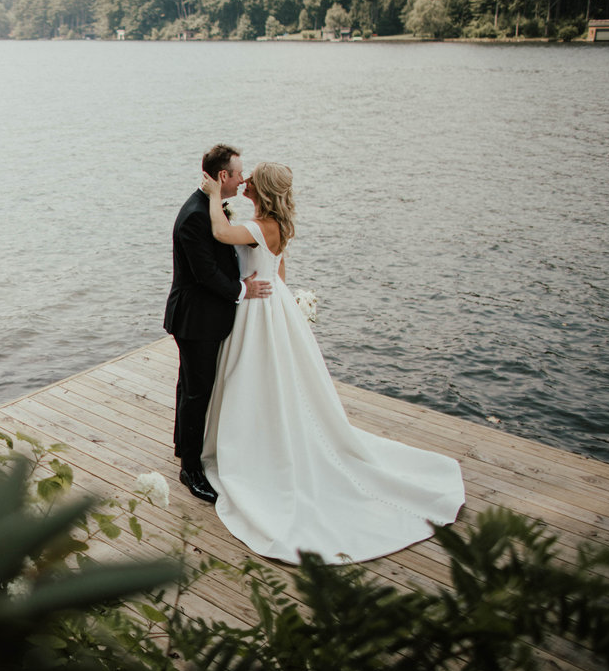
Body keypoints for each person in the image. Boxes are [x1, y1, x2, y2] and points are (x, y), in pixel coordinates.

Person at [198, 162, 464, 562]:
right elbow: (280, 269)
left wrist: (214, 196)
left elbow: (220, 232)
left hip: (260, 307)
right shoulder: (273, 224)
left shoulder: (262, 227)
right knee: (267, 380)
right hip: (270, 303)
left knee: (254, 379)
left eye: (252, 180)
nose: (246, 182)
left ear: (264, 190)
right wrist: (283, 309)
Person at [164, 145, 271, 503]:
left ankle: (184, 447)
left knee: (190, 386)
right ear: (223, 176)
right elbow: (205, 273)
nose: (243, 180)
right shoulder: (195, 215)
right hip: (196, 320)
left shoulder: (205, 207)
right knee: (197, 392)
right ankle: (190, 470)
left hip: (200, 317)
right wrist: (244, 289)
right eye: (239, 174)